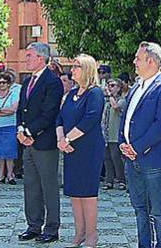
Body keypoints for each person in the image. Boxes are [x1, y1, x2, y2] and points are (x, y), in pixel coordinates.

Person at [119, 41, 161, 248]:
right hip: (132, 158)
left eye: (138, 58)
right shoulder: (137, 86)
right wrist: (123, 143)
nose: (134, 61)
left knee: (159, 211)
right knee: (140, 208)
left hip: (154, 159)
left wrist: (137, 146)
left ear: (151, 61)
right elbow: (126, 118)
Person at [16, 42, 64, 244]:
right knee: (31, 185)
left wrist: (29, 131)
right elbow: (21, 110)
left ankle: (52, 228)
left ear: (41, 58)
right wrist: (20, 130)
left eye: (29, 55)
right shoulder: (27, 82)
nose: (26, 59)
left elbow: (49, 113)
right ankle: (33, 225)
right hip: (28, 142)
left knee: (48, 186)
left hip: (44, 141)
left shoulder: (52, 82)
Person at [56, 54, 106, 248]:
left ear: (86, 69)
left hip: (89, 149)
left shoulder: (95, 93)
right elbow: (60, 118)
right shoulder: (71, 94)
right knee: (74, 192)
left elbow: (90, 120)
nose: (72, 69)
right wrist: (62, 139)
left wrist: (67, 139)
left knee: (88, 193)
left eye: (76, 66)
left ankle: (92, 235)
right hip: (70, 149)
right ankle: (79, 233)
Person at [0, 72, 20, 184]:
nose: (1, 85)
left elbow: (13, 110)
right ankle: (1, 175)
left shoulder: (13, 94)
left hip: (10, 126)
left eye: (3, 82)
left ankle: (10, 175)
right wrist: (4, 111)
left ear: (8, 84)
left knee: (10, 152)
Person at [102, 78, 127, 190]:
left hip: (115, 134)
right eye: (108, 85)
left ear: (119, 87)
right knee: (107, 158)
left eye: (112, 85)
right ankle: (109, 180)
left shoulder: (122, 100)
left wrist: (110, 96)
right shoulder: (106, 101)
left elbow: (116, 107)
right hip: (105, 134)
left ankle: (121, 180)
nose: (110, 88)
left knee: (116, 157)